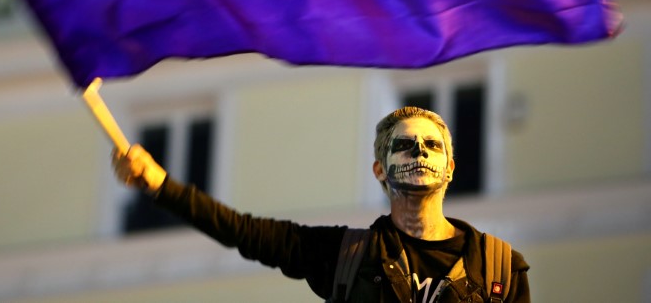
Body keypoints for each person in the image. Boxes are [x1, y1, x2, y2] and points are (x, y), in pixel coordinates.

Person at [113, 106, 530, 302]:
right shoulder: (345, 256)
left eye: (431, 146)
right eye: (403, 146)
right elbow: (242, 230)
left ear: (450, 167)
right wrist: (162, 186)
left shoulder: (500, 267)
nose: (419, 153)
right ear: (379, 171)